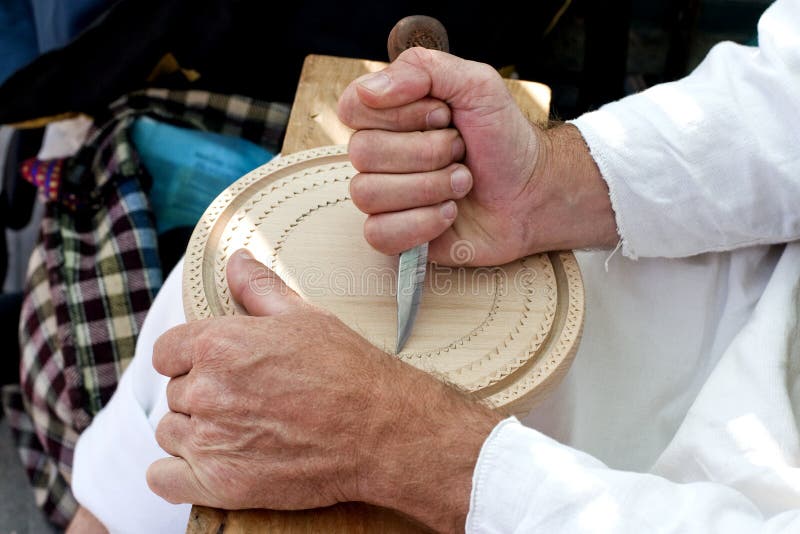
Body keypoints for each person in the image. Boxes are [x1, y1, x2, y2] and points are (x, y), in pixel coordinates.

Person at [69, 0, 800, 531]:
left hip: (690, 493)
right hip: (742, 257)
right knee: (247, 271)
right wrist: (552, 181)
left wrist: (412, 449)